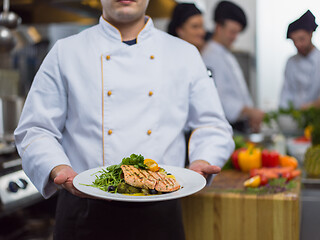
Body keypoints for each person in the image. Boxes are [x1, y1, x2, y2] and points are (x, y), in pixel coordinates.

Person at [14, 0, 234, 239]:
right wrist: (57, 167)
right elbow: (36, 129)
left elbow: (212, 125)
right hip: (83, 208)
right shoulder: (65, 52)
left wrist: (203, 158)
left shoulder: (184, 53)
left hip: (160, 208)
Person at [201, 1, 264, 133]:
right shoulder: (209, 56)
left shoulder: (225, 53)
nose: (235, 37)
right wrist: (248, 111)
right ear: (218, 27)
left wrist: (250, 112)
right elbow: (217, 98)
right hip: (226, 127)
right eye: (232, 32)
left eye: (237, 33)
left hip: (241, 125)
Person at [280, 10, 320, 110]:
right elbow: (286, 91)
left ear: (310, 34)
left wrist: (311, 106)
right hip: (295, 116)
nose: (298, 44)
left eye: (301, 39)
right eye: (294, 41)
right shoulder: (290, 62)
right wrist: (283, 113)